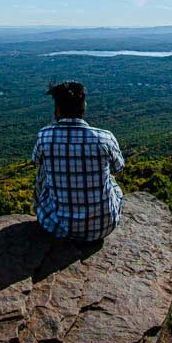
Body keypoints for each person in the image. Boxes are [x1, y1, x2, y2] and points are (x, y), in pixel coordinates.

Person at [31, 81, 125, 241]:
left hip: (58, 227)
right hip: (104, 226)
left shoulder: (44, 136)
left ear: (57, 109)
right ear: (84, 106)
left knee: (42, 170)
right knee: (109, 174)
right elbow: (119, 168)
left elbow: (35, 161)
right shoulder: (105, 137)